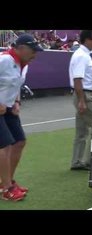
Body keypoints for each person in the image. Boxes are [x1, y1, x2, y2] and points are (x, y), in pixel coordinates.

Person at [0, 34, 43, 201]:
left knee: (19, 141)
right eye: (33, 51)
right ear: (21, 48)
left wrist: (17, 101)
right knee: (5, 146)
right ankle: (7, 190)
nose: (35, 55)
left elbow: (16, 84)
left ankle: (6, 181)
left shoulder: (23, 65)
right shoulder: (4, 60)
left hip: (9, 108)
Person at [69, 30, 92, 170]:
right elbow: (78, 79)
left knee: (82, 131)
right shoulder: (81, 56)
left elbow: (89, 79)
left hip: (84, 94)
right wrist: (82, 101)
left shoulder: (84, 55)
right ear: (86, 40)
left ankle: (77, 161)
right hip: (84, 95)